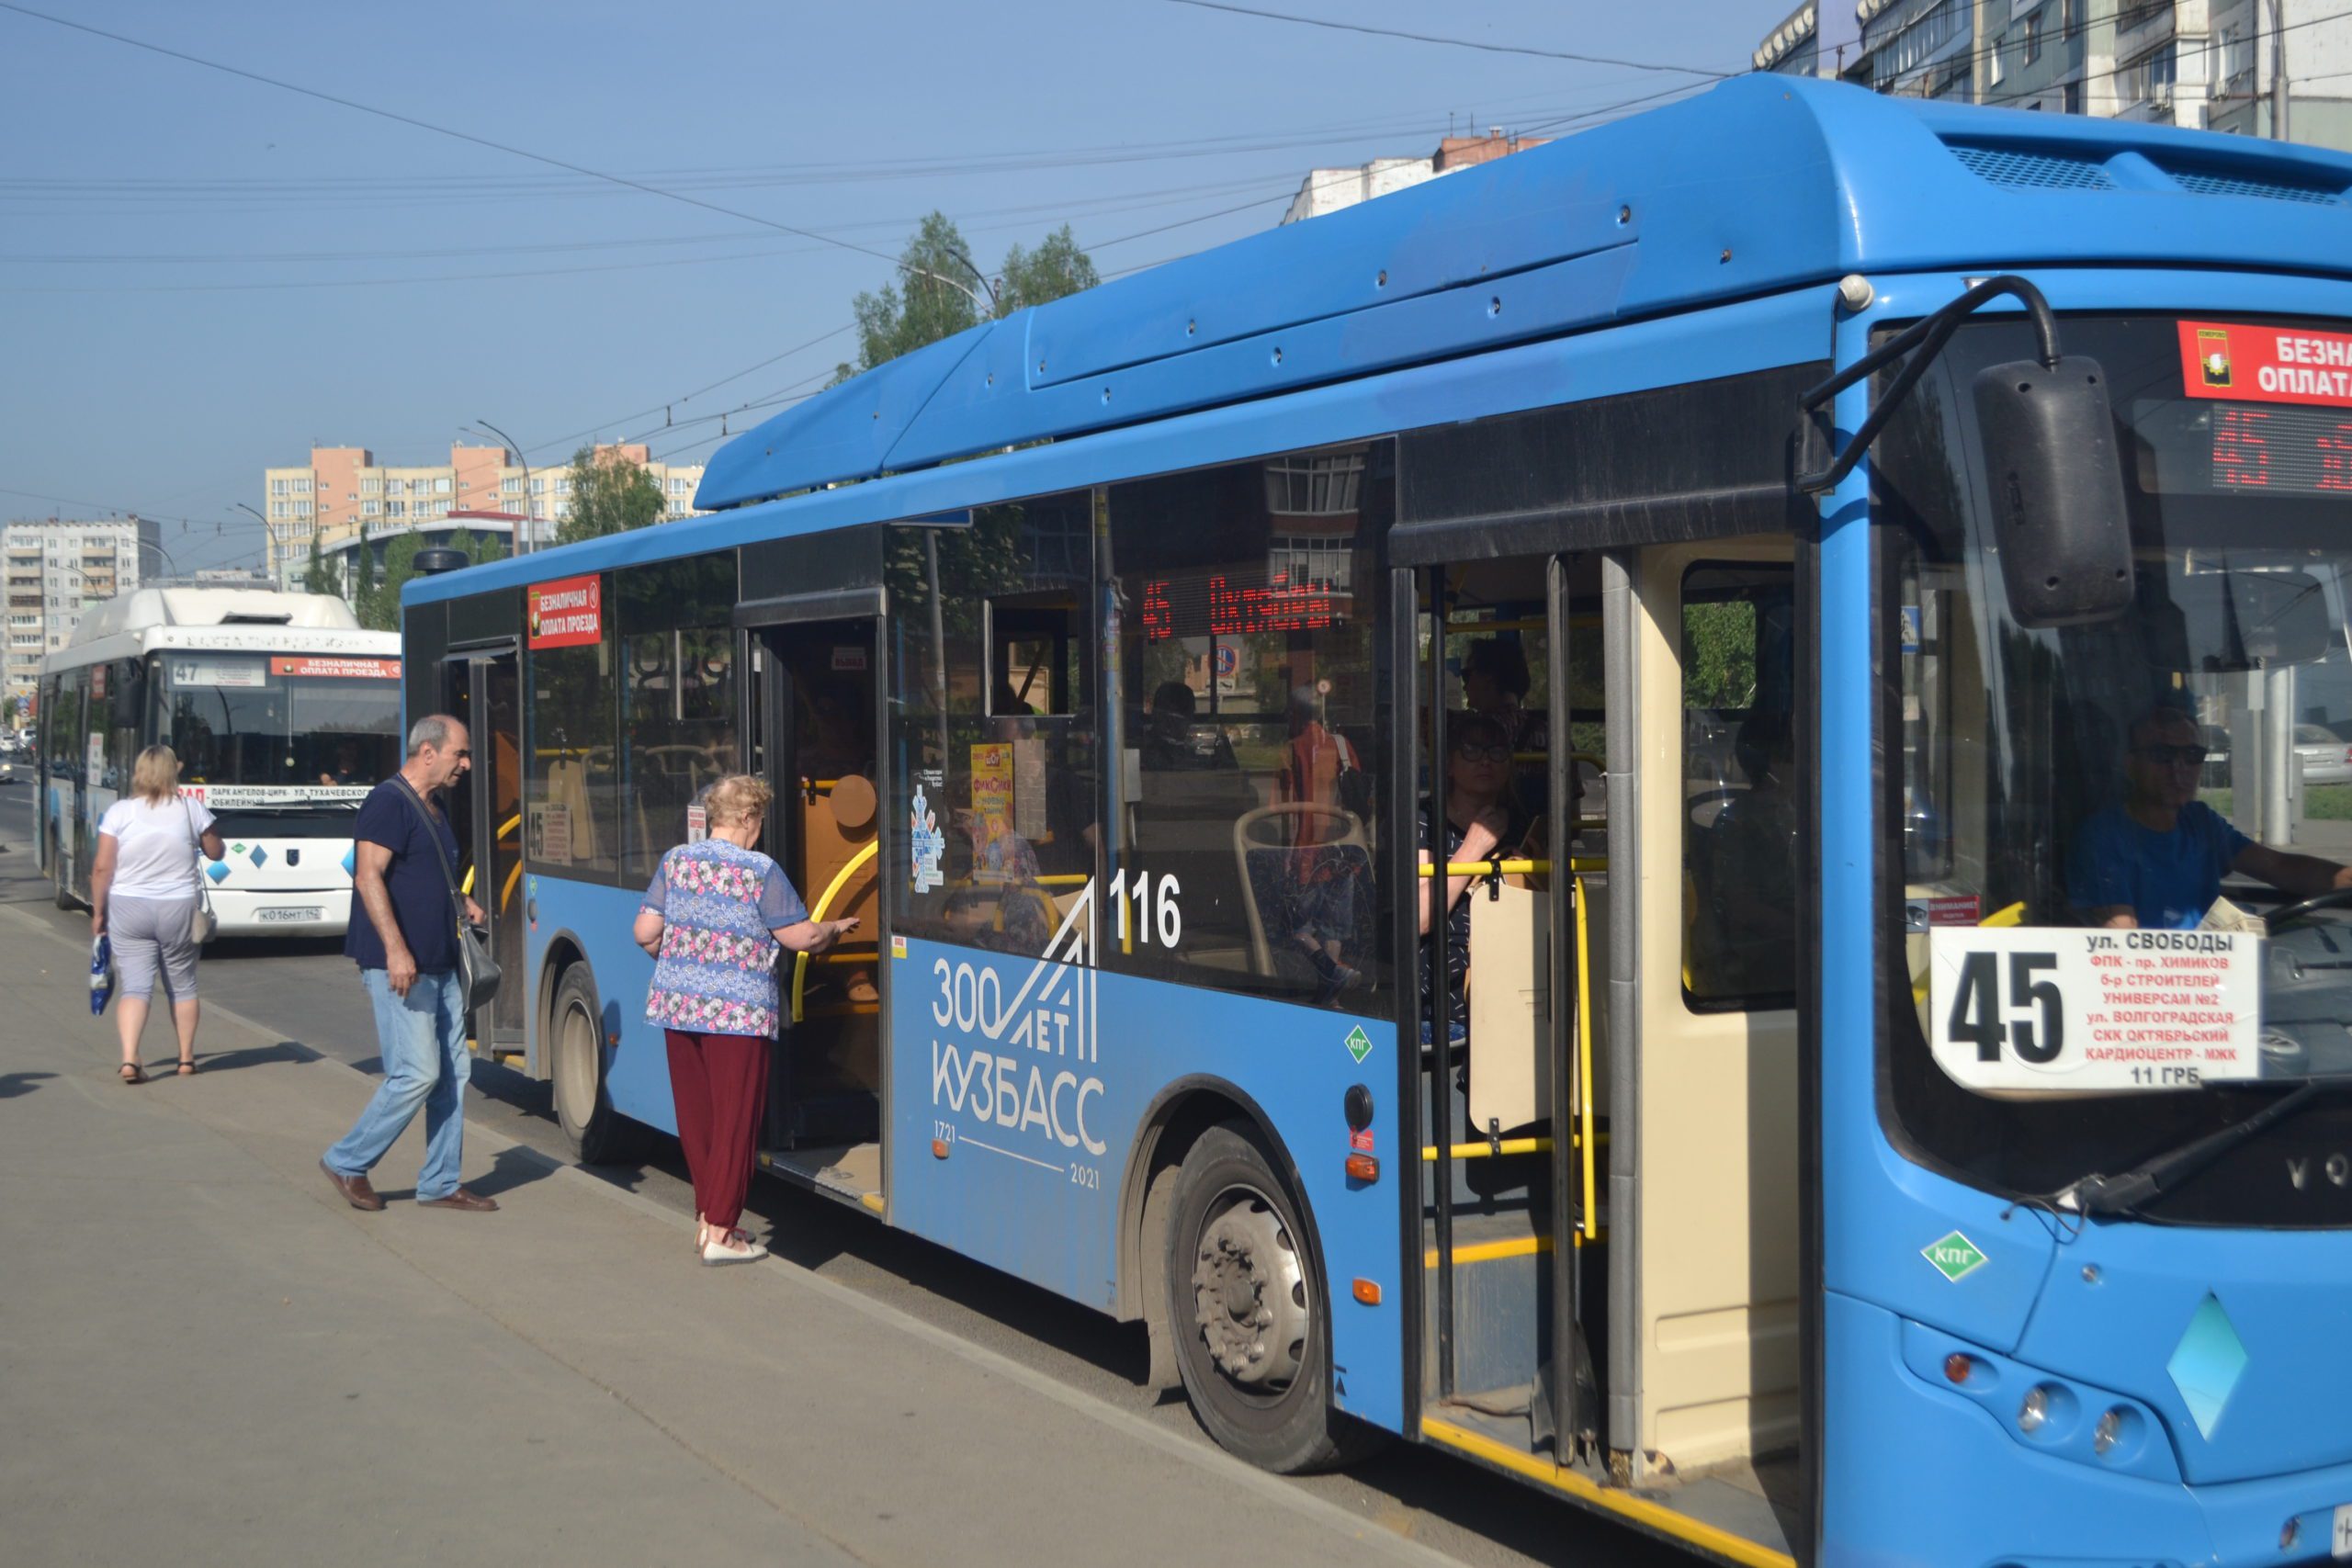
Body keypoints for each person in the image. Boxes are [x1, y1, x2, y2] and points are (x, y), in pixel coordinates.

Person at [632, 773, 858, 1266]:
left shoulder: (677, 861)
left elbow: (645, 932)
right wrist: (834, 930)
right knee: (736, 1120)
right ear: (749, 819)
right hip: (738, 1016)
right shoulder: (760, 870)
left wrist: (682, 963)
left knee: (700, 1119)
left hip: (678, 1006)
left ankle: (706, 1217)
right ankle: (721, 1232)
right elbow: (801, 938)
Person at [320, 715, 496, 1213]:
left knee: (452, 1074)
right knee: (417, 1073)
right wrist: (397, 950)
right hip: (401, 966)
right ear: (427, 753)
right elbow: (369, 877)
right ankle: (347, 1160)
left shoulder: (432, 808)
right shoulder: (387, 802)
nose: (466, 764)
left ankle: (440, 1182)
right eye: (459, 754)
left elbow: (420, 876)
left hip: (439, 963)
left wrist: (461, 903)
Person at [2069, 705, 2352, 929]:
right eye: (2162, 754)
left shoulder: (2199, 822)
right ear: (2130, 765)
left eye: (2192, 754)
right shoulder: (2104, 837)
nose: (2179, 769)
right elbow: (2121, 933)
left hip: (2212, 977)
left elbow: (2277, 866)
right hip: (2155, 986)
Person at [89, 745, 225, 1082]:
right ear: (172, 772)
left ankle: (130, 1060)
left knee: (135, 986)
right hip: (177, 907)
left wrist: (98, 912)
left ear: (139, 773)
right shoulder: (191, 808)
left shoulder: (120, 812)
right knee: (182, 984)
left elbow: (103, 868)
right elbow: (216, 852)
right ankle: (186, 1060)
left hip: (128, 907)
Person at [1418, 713, 1522, 1046]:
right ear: (1448, 764)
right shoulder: (1423, 821)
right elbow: (1419, 918)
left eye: (1496, 751)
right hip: (1444, 996)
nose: (1485, 760)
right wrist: (1474, 845)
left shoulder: (1524, 823)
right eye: (1471, 750)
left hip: (1514, 981)